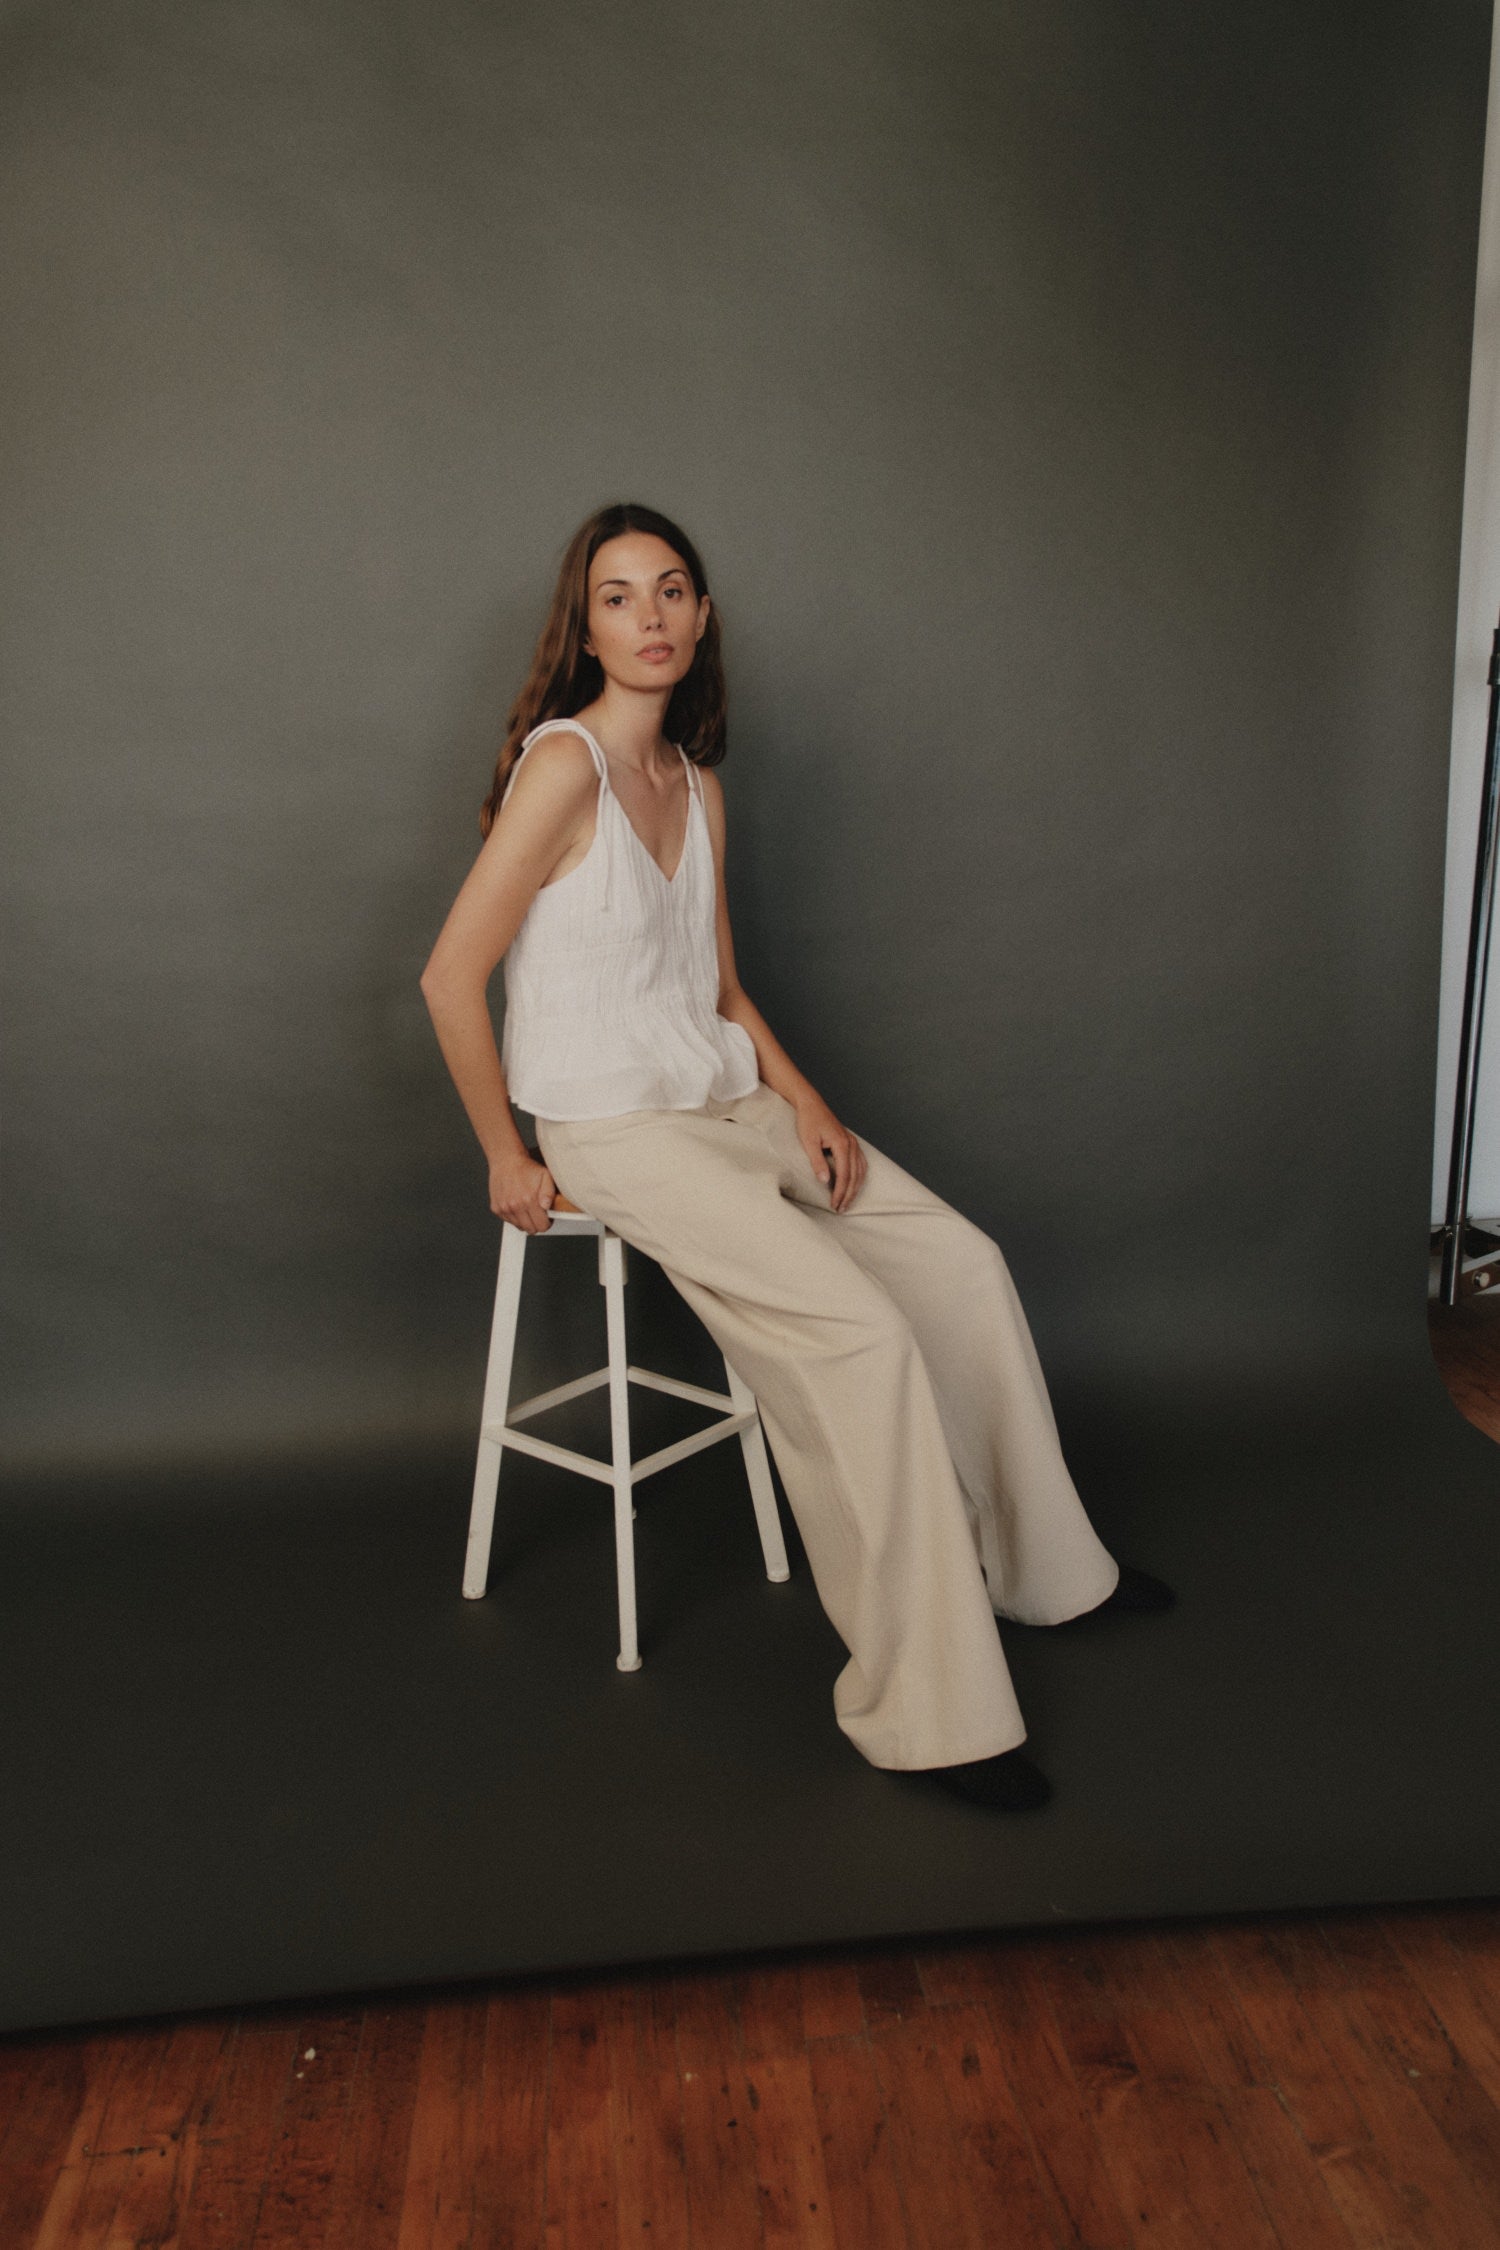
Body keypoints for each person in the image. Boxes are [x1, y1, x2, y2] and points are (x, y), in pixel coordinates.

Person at [419, 501, 1172, 1812]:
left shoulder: (698, 787)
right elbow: (447, 978)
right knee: (861, 1337)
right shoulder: (565, 768)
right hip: (614, 1132)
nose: (648, 616)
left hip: (724, 1102)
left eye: (671, 591)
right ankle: (929, 1711)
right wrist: (502, 1151)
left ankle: (1045, 1574)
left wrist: (811, 1104)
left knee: (960, 1263)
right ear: (583, 627)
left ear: (702, 618)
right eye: (617, 595)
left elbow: (718, 987)